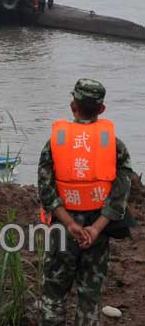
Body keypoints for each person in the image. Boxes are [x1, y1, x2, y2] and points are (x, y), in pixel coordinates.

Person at [38, 79, 133, 326]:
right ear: (101, 110)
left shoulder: (55, 142)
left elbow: (46, 191)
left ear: (73, 106)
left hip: (63, 229)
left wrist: (70, 224)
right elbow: (120, 193)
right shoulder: (115, 145)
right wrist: (96, 228)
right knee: (89, 297)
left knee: (53, 294)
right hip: (96, 234)